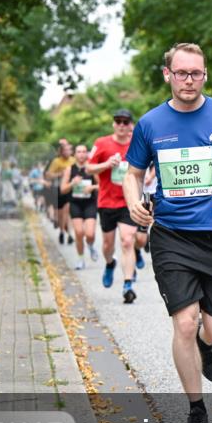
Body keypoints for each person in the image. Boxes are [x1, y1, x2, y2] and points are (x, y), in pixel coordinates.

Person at [125, 42, 212, 423]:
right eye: (181, 73)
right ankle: (196, 410)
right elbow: (133, 173)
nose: (189, 80)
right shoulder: (150, 123)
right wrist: (134, 203)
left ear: (204, 75)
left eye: (196, 73)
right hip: (171, 236)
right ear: (167, 74)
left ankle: (207, 344)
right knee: (184, 323)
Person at [87, 110, 148, 303]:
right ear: (113, 124)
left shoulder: (137, 143)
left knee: (127, 241)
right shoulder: (101, 143)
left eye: (125, 122)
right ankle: (110, 263)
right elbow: (88, 167)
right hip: (106, 202)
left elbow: (148, 166)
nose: (121, 125)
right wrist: (106, 164)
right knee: (107, 245)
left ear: (131, 125)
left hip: (128, 201)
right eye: (118, 121)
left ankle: (128, 284)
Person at [61, 144, 99, 270]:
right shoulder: (69, 169)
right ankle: (81, 259)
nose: (82, 154)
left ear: (87, 154)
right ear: (75, 154)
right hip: (75, 203)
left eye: (84, 152)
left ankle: (91, 245)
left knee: (90, 234)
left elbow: (102, 186)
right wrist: (72, 183)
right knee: (78, 232)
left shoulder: (92, 169)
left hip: (90, 204)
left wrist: (92, 187)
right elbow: (63, 189)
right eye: (79, 152)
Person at [46, 142, 74, 243]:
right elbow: (48, 175)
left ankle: (69, 234)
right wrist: (60, 174)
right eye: (66, 150)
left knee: (67, 213)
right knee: (60, 214)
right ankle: (62, 231)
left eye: (69, 150)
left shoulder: (73, 160)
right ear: (61, 152)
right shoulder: (56, 161)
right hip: (57, 189)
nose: (68, 152)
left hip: (69, 189)